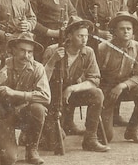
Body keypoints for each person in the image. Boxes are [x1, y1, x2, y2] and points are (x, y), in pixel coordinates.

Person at [74, 0, 127, 131]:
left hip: (115, 42)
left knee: (116, 74)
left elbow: (123, 14)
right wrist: (97, 33)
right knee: (98, 77)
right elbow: (79, 19)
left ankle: (115, 113)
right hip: (95, 43)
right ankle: (97, 119)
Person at [40, 19, 109, 152]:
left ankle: (90, 139)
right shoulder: (53, 50)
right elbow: (41, 80)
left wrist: (72, 88)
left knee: (97, 94)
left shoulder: (88, 52)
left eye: (86, 36)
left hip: (71, 94)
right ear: (69, 36)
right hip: (52, 99)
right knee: (53, 144)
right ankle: (37, 133)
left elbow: (94, 79)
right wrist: (52, 61)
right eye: (80, 36)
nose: (84, 40)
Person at [0, 32, 51, 165]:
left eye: (30, 52)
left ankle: (32, 149)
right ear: (13, 50)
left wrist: (15, 93)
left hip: (25, 113)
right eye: (22, 50)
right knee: (7, 159)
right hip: (4, 117)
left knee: (38, 108)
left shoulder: (38, 68)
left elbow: (45, 97)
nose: (26, 56)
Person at [97, 13, 138, 144]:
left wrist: (122, 86)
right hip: (107, 90)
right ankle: (99, 125)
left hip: (126, 87)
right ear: (114, 31)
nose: (126, 31)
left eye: (129, 28)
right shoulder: (103, 48)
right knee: (106, 137)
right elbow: (96, 73)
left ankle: (132, 129)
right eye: (122, 28)